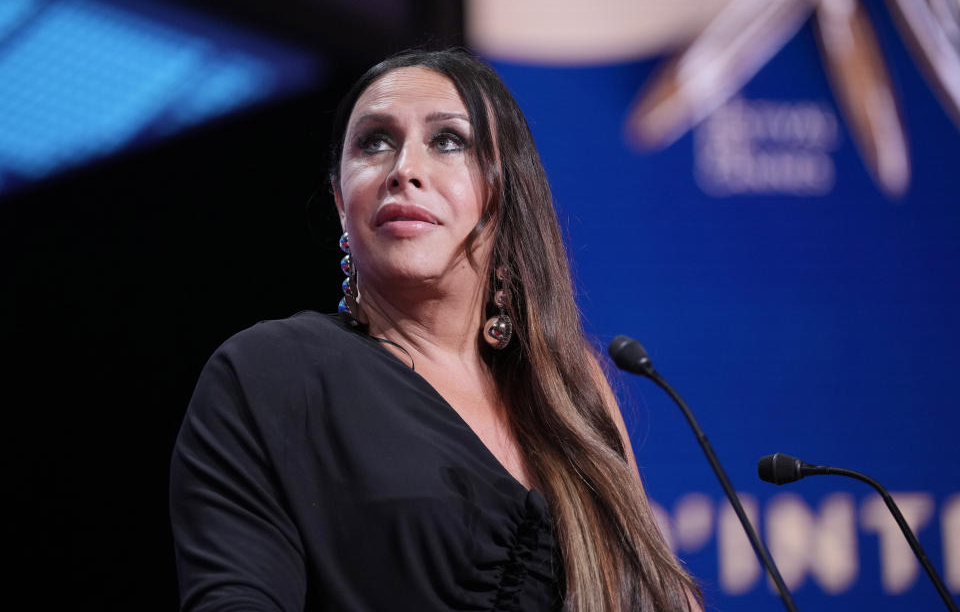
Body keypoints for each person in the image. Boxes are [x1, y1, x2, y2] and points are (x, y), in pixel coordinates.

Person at [170, 47, 702, 611]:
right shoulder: (272, 371)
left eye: (449, 141)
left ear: (503, 191)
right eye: (374, 142)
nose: (404, 170)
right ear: (339, 199)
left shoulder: (572, 387)